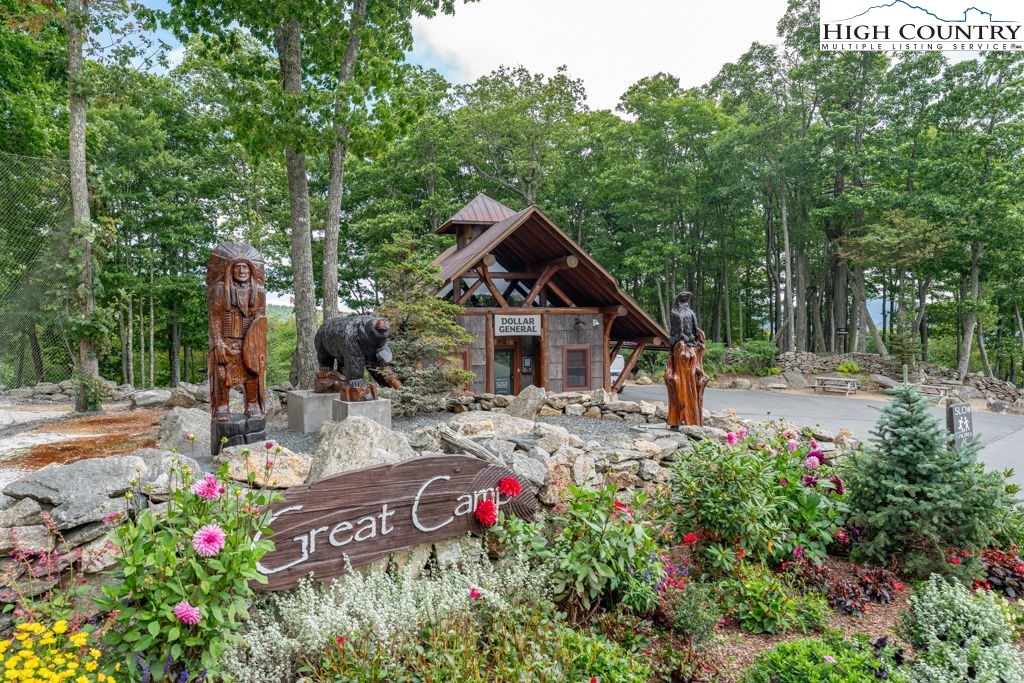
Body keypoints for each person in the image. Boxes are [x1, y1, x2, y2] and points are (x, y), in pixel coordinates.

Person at [207, 244, 267, 422]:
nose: (241, 271)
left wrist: (256, 346)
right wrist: (217, 342)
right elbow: (215, 317)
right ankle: (222, 406)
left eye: (245, 267)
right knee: (222, 373)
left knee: (252, 373)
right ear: (230, 270)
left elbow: (260, 319)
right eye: (237, 267)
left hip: (249, 342)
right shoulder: (220, 291)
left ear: (251, 270)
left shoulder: (259, 292)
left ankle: (252, 404)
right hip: (226, 341)